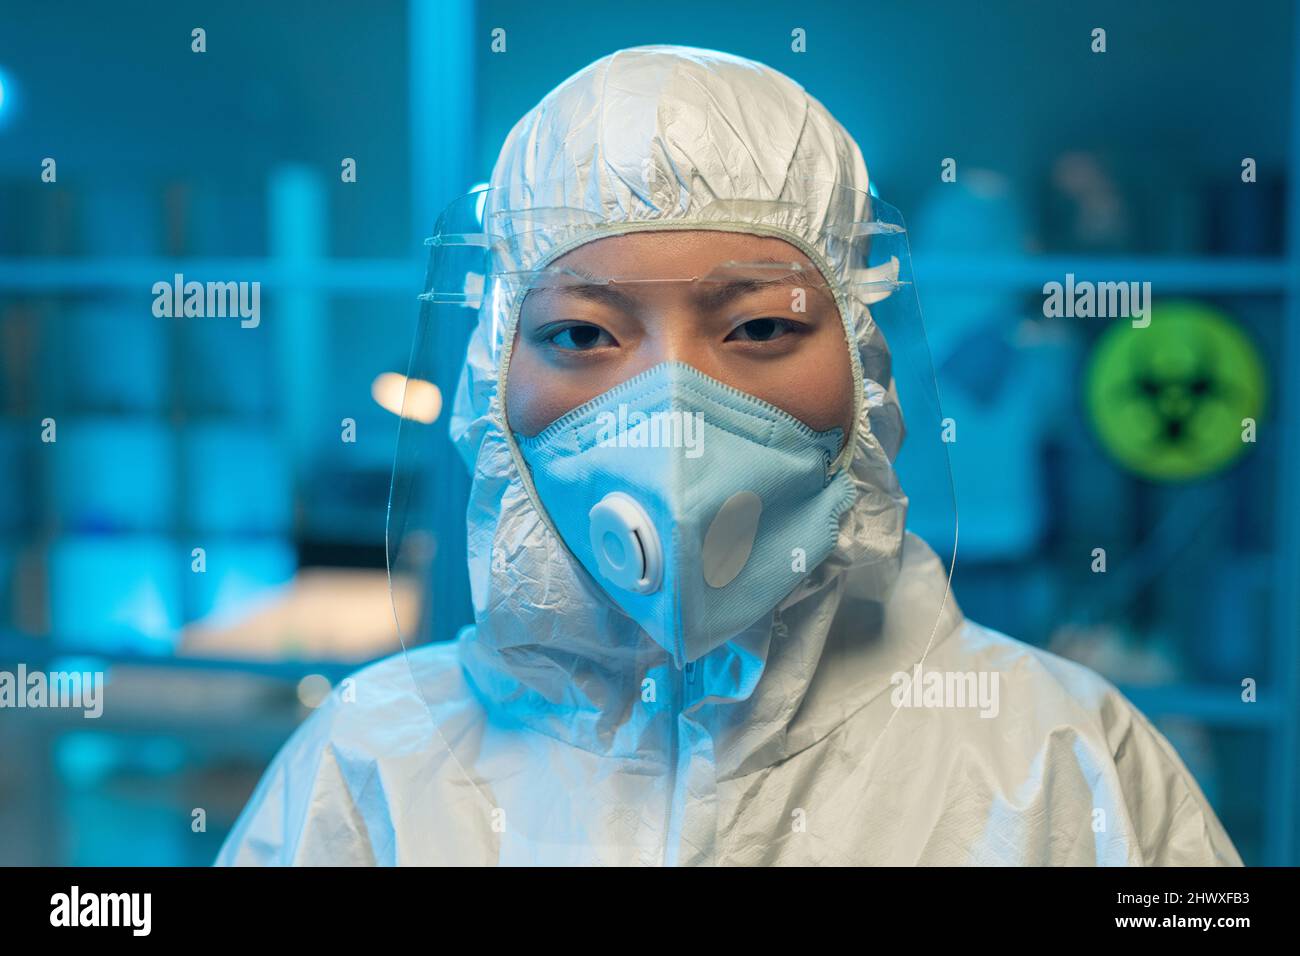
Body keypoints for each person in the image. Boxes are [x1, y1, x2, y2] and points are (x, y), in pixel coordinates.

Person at [217, 46, 1241, 866]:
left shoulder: (1062, 759)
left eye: (756, 329)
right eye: (582, 335)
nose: (671, 413)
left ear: (861, 364)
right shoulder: (371, 764)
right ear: (495, 384)